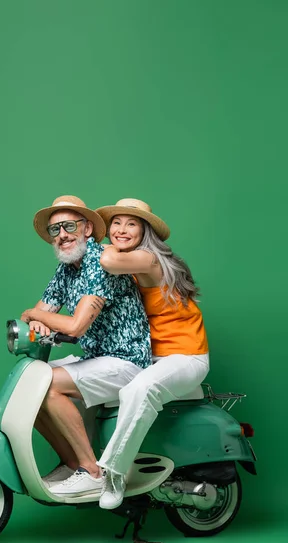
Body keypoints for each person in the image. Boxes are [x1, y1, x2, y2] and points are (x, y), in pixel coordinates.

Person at [20, 195, 151, 497]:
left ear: (87, 229)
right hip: (97, 358)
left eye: (69, 226)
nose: (63, 235)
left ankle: (91, 471)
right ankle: (71, 464)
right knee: (30, 384)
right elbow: (43, 312)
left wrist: (36, 315)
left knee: (48, 384)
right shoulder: (68, 269)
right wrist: (39, 319)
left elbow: (76, 325)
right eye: (55, 230)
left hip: (126, 361)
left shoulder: (101, 261)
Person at [95, 198, 210, 510]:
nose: (121, 229)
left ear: (145, 231)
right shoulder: (131, 264)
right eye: (115, 223)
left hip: (185, 356)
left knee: (139, 389)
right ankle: (83, 467)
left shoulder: (146, 260)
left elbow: (105, 260)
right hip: (146, 356)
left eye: (131, 223)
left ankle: (114, 474)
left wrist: (104, 243)